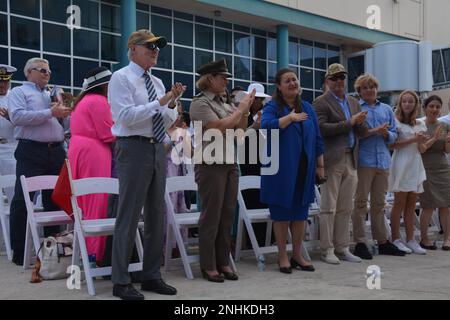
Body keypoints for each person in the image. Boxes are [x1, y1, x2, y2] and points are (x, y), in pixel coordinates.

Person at [108, 29, 184, 300]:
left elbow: (164, 120)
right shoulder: (121, 77)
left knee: (156, 214)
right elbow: (125, 117)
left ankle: (151, 275)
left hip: (156, 148)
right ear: (132, 50)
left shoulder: (157, 81)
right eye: (149, 46)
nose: (155, 51)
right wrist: (161, 101)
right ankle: (120, 280)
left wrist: (172, 103)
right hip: (133, 147)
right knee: (128, 216)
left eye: (157, 47)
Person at [189, 58, 255, 282]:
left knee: (227, 215)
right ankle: (209, 265)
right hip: (210, 164)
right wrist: (241, 109)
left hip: (229, 163)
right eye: (222, 77)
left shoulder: (224, 103)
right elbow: (218, 127)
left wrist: (244, 113)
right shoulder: (200, 103)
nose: (226, 81)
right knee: (211, 216)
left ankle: (223, 261)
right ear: (210, 79)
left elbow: (239, 132)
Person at [8, 58, 72, 265]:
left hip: (55, 151)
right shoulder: (19, 92)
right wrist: (50, 112)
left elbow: (65, 124)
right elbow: (17, 117)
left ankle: (52, 251)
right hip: (31, 150)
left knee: (54, 199)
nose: (47, 74)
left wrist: (65, 112)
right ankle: (20, 252)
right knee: (21, 200)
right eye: (42, 70)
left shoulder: (53, 93)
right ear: (29, 73)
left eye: (49, 71)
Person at [260, 68, 324, 273]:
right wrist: (290, 119)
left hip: (304, 168)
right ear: (279, 86)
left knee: (299, 213)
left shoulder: (307, 107)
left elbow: (318, 139)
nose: (292, 83)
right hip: (280, 169)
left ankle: (297, 255)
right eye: (287, 81)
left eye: (294, 79)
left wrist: (320, 166)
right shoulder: (273, 107)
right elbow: (265, 126)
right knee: (281, 214)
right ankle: (282, 256)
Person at [312, 63, 368, 264]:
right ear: (327, 81)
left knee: (346, 207)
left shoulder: (353, 102)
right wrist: (350, 123)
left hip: (351, 158)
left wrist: (361, 123)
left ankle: (342, 247)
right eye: (334, 78)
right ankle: (327, 249)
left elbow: (360, 131)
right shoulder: (320, 102)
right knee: (329, 206)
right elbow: (320, 128)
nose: (339, 82)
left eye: (342, 78)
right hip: (332, 159)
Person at [351, 74, 406, 259]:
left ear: (377, 89)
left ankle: (382, 241)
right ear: (360, 91)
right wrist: (375, 131)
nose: (369, 90)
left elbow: (393, 135)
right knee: (360, 203)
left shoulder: (386, 109)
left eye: (372, 87)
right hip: (364, 162)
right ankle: (359, 242)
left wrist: (385, 134)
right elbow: (355, 134)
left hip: (383, 160)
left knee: (379, 204)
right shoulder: (357, 108)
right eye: (365, 87)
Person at [68, 67, 115, 265]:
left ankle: (87, 252)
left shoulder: (84, 101)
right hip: (94, 151)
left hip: (78, 149)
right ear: (105, 85)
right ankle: (96, 254)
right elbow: (108, 133)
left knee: (84, 203)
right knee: (98, 202)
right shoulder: (99, 101)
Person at [388, 90, 428, 254]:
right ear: (400, 103)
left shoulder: (420, 124)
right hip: (401, 163)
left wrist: (423, 141)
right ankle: (396, 238)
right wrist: (414, 139)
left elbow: (422, 149)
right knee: (399, 202)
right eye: (404, 101)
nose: (407, 104)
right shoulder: (395, 121)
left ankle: (411, 239)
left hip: (415, 163)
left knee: (411, 204)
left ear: (415, 104)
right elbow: (392, 145)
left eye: (410, 101)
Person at [418, 95, 450, 251]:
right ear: (425, 107)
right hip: (425, 168)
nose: (435, 110)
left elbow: (446, 150)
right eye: (432, 106)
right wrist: (435, 137)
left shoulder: (444, 126)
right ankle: (424, 239)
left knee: (446, 205)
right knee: (428, 205)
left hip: (443, 167)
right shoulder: (419, 124)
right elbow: (421, 148)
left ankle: (447, 239)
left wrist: (449, 142)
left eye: (438, 107)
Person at [0, 64, 17, 200]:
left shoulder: (16, 98)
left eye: (5, 81)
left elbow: (25, 124)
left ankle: (14, 221)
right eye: (0, 81)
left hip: (9, 148)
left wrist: (9, 118)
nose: (3, 85)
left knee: (13, 190)